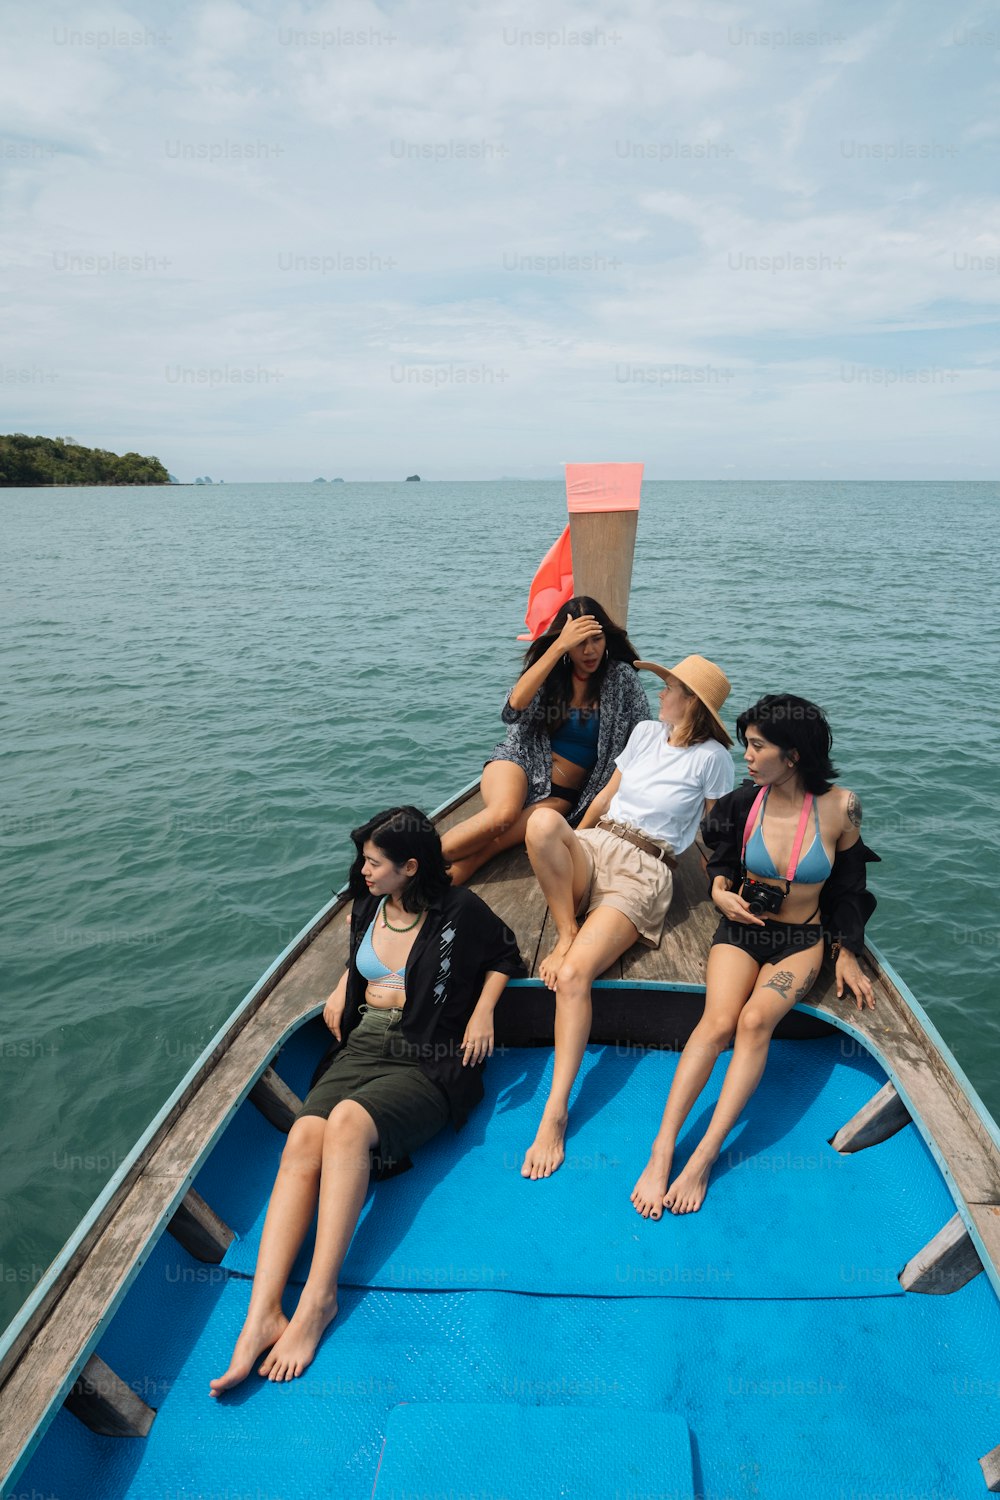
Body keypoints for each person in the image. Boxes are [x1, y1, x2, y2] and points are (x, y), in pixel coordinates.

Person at [210, 806, 524, 1394]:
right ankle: (262, 1314)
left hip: (429, 1054)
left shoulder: (458, 910)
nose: (364, 869)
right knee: (305, 1134)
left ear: (411, 867)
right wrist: (341, 985)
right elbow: (360, 958)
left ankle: (319, 1301)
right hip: (362, 1044)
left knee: (348, 1124)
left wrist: (483, 1011)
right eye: (364, 859)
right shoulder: (367, 904)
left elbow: (507, 954)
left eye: (375, 862)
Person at [631, 693, 878, 1220]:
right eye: (746, 744)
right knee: (716, 1023)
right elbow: (719, 857)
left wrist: (848, 952)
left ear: (793, 756)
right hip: (743, 931)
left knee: (754, 1021)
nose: (746, 755)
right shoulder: (745, 801)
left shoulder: (842, 807)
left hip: (801, 941)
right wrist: (721, 891)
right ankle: (661, 1148)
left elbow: (851, 888)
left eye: (757, 746)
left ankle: (703, 1155)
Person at [519, 654, 736, 1179]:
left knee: (573, 977)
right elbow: (604, 799)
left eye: (668, 688)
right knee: (544, 824)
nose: (658, 694)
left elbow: (717, 834)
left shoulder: (711, 760)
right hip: (598, 844)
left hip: (645, 869)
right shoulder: (643, 733)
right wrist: (578, 838)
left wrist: (724, 883)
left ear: (691, 702)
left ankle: (555, 1111)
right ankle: (567, 928)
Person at [440, 597, 649, 884]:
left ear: (607, 639)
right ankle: (414, 861)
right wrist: (557, 648)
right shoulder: (552, 673)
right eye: (579, 643)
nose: (589, 651)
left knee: (499, 841)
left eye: (596, 640)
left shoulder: (621, 679)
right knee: (503, 813)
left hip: (563, 793)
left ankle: (433, 872)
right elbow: (514, 708)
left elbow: (641, 739)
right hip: (519, 762)